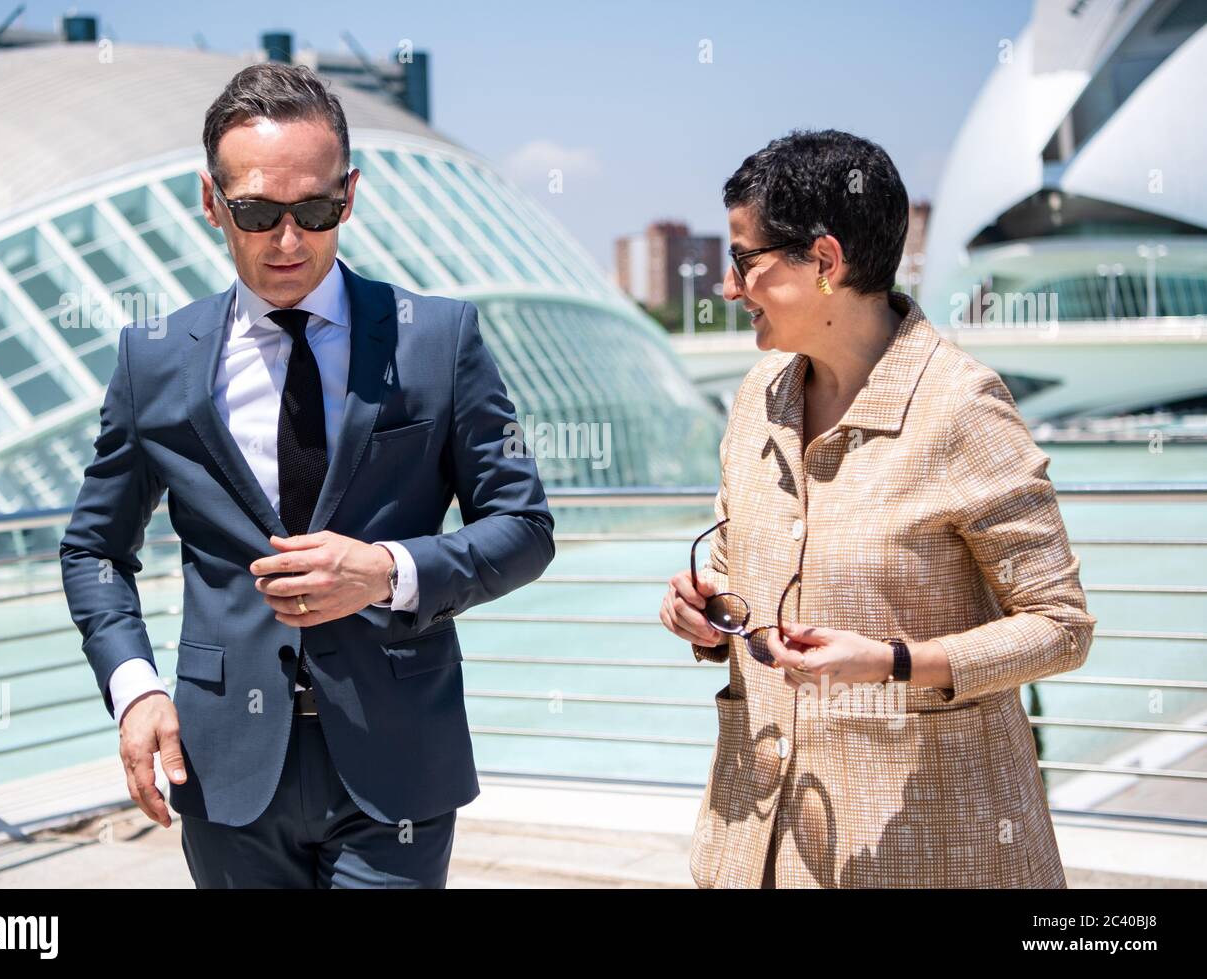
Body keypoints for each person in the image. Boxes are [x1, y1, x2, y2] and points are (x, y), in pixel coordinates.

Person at [60, 62, 554, 888]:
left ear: (350, 194)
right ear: (212, 202)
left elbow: (525, 527)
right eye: (257, 212)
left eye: (316, 209)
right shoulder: (152, 362)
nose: (289, 241)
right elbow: (94, 549)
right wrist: (136, 690)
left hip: (399, 762)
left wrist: (388, 571)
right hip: (223, 772)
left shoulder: (439, 339)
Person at [659, 129, 1095, 888]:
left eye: (745, 260)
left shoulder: (961, 406)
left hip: (929, 849)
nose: (730, 289)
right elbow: (736, 568)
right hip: (757, 842)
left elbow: (1061, 628)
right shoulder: (756, 399)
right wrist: (704, 613)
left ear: (825, 262)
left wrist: (894, 663)